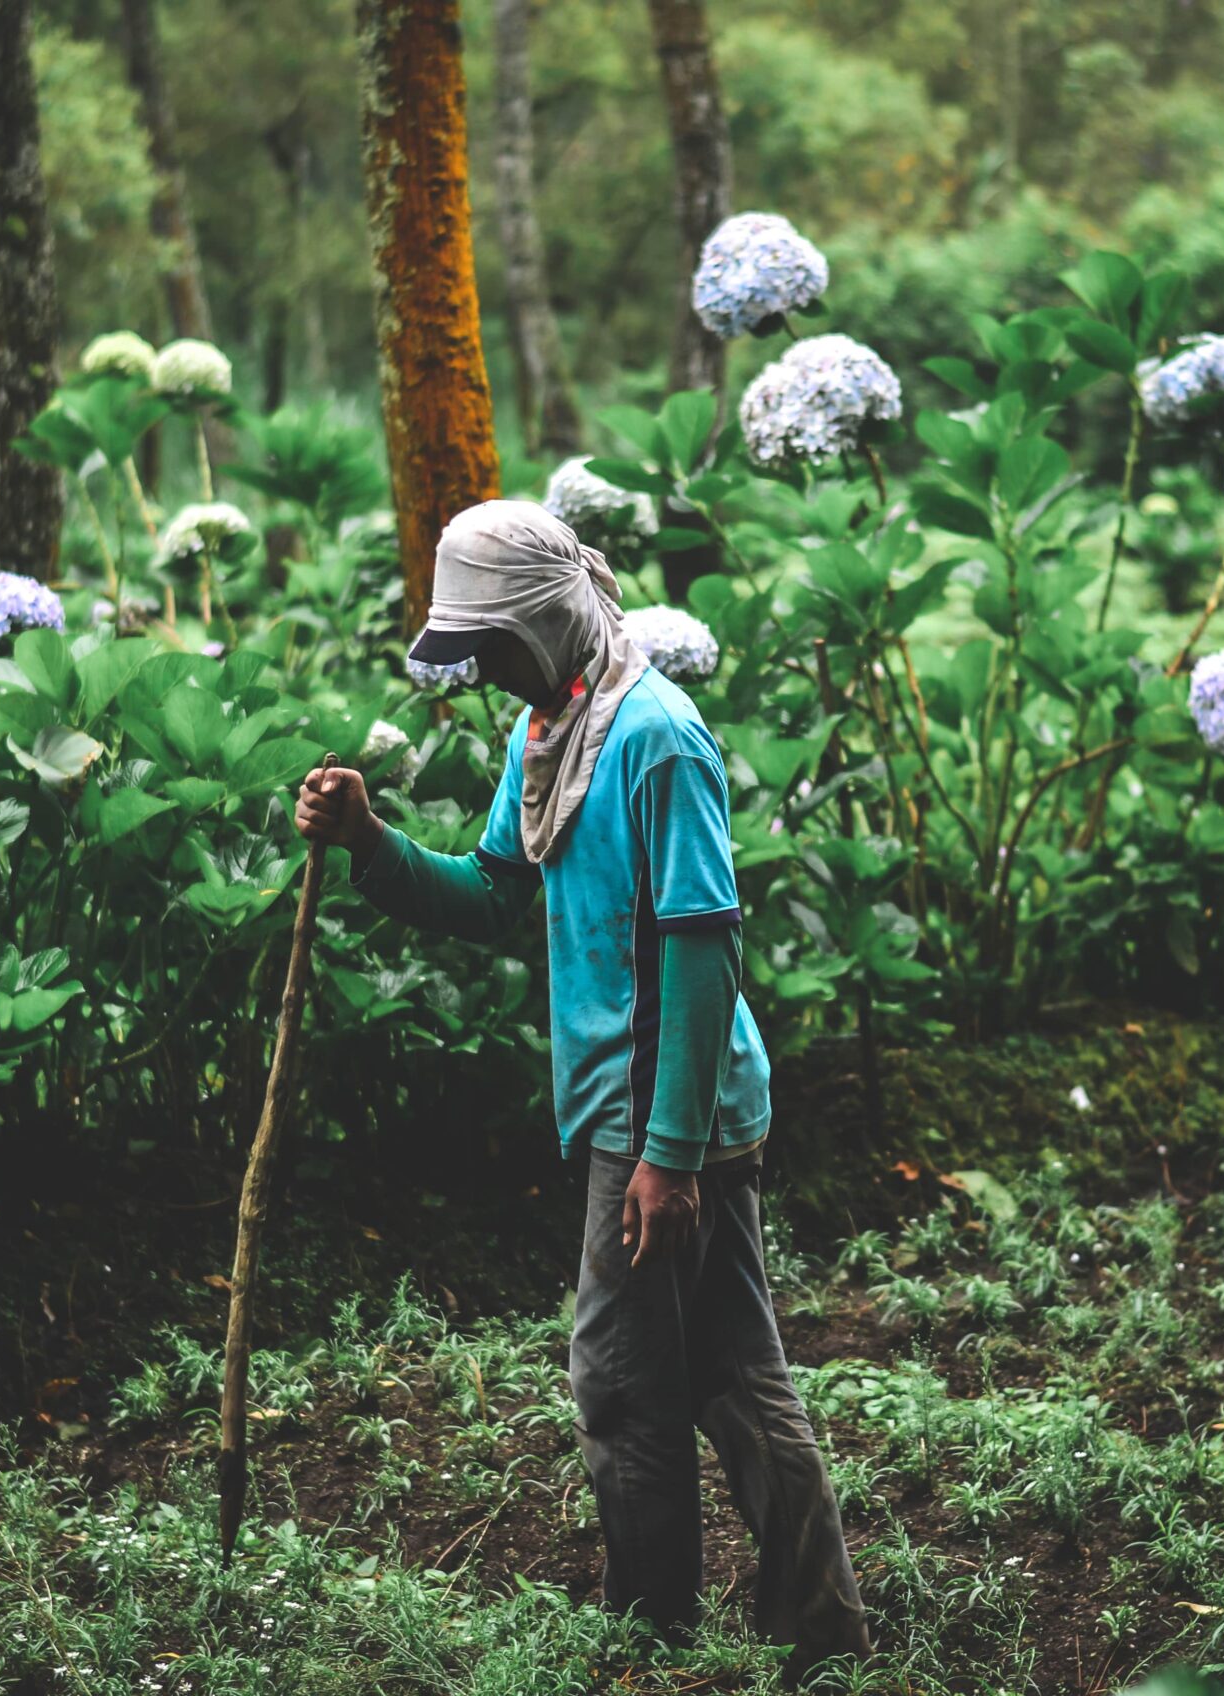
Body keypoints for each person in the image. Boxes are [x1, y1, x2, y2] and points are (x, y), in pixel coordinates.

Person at [294, 500, 870, 1680]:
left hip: (671, 1109)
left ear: (546, 619)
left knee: (618, 1377)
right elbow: (494, 892)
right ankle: (818, 1632)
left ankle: (652, 1629)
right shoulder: (553, 733)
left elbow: (706, 946)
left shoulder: (656, 734)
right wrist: (368, 839)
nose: (485, 668)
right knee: (725, 1366)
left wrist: (666, 1153)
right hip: (648, 1106)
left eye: (494, 641)